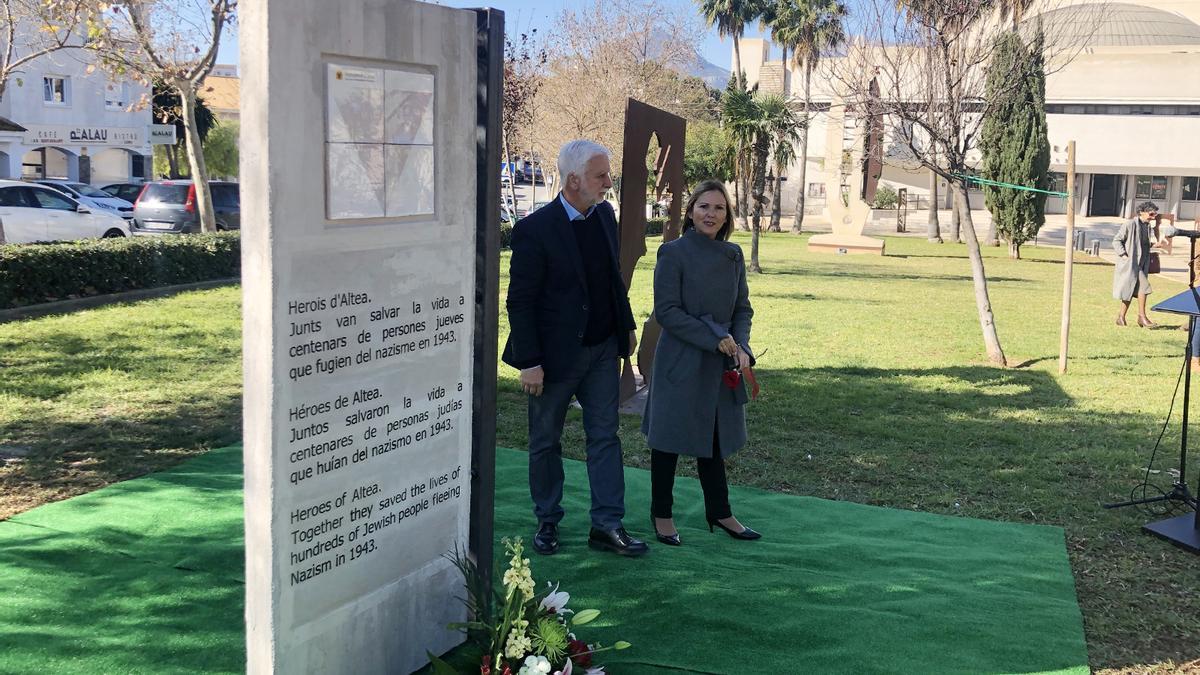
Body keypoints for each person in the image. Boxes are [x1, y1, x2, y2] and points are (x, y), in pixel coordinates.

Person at [502, 139, 647, 557]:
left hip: (602, 351)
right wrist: (530, 361)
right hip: (553, 360)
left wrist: (627, 327)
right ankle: (547, 521)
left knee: (605, 436)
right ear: (573, 181)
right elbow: (521, 300)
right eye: (601, 176)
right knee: (545, 441)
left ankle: (607, 525)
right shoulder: (533, 230)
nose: (608, 182)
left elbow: (611, 281)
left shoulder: (604, 215)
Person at [641, 179, 760, 546]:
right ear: (691, 211)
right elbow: (667, 311)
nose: (711, 214)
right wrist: (714, 339)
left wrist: (740, 344)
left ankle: (720, 511)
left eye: (719, 208)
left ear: (727, 216)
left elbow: (742, 308)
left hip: (722, 361)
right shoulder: (673, 253)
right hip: (682, 359)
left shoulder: (733, 256)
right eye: (704, 206)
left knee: (714, 437)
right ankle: (662, 513)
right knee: (668, 438)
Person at [1113, 201, 1164, 327]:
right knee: (1144, 287)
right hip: (1131, 264)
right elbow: (1116, 241)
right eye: (1151, 214)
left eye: (1155, 215)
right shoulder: (1130, 224)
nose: (1153, 217)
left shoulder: (1147, 227)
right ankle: (1142, 317)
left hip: (1142, 263)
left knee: (1130, 290)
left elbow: (1142, 244)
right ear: (1142, 212)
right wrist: (1124, 256)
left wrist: (1154, 245)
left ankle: (1121, 318)